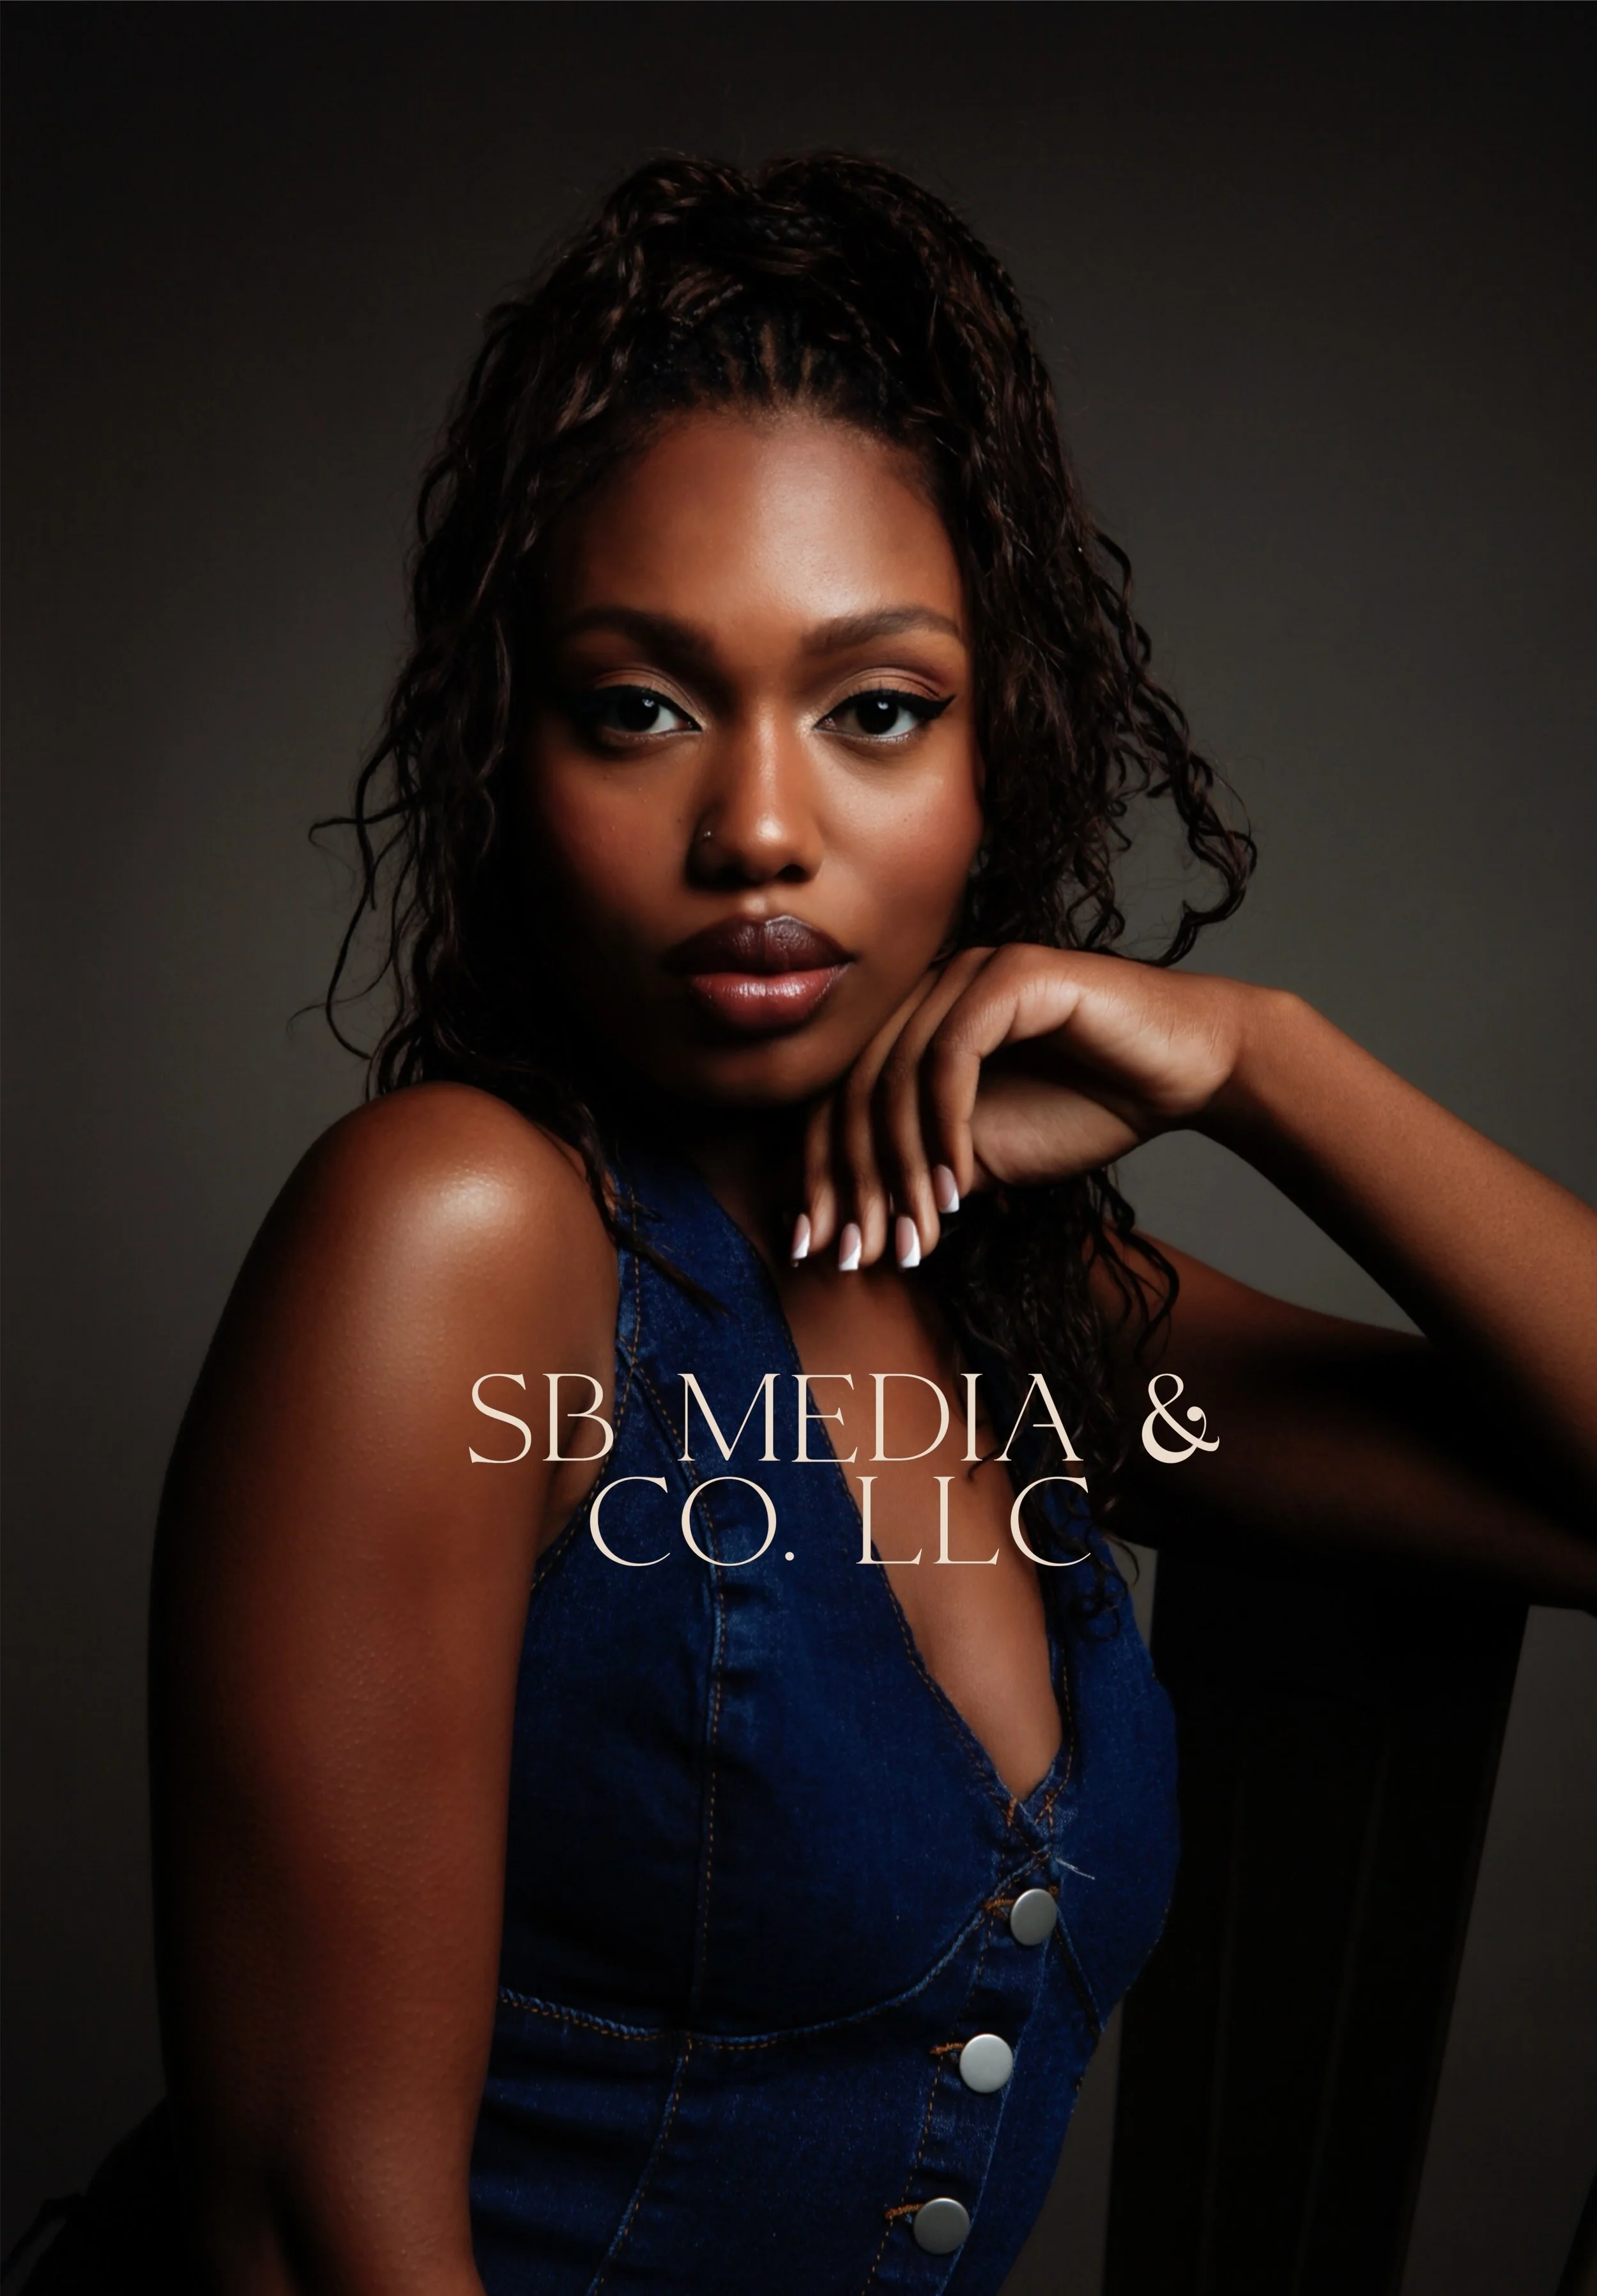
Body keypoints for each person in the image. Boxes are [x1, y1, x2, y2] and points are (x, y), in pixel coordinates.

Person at [20, 151, 1596, 2296]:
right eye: (640, 707)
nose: (758, 825)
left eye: (875, 710)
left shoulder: (1030, 1320)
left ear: (991, 758)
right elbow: (309, 2242)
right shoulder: (458, 1235)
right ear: (515, 762)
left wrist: (1258, 1063)